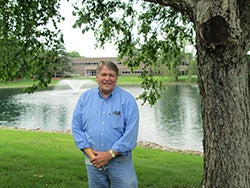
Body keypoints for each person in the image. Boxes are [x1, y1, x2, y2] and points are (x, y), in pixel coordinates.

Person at [72, 61, 139, 188]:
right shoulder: (85, 99)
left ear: (116, 78)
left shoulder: (127, 100)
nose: (107, 79)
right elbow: (77, 128)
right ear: (97, 77)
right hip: (93, 164)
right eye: (103, 74)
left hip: (120, 163)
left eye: (111, 75)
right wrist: (93, 157)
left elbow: (131, 134)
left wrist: (109, 155)